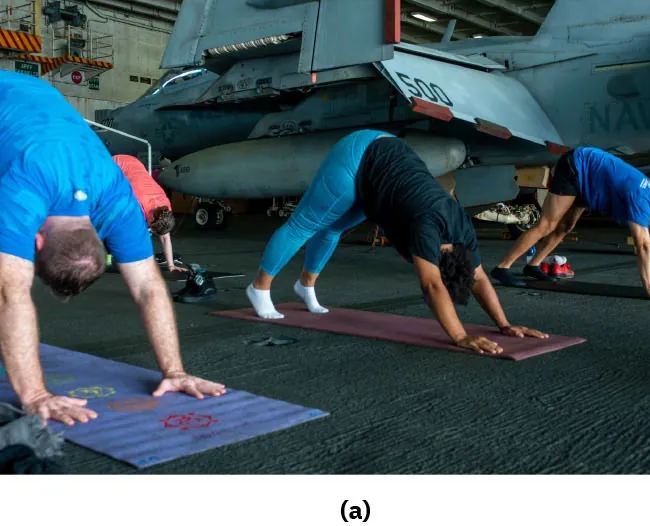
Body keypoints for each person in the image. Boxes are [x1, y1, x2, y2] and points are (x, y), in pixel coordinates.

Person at [0, 70, 226, 426]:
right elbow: (10, 292)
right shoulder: (23, 188)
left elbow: (150, 287)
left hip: (38, 102)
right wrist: (35, 395)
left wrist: (175, 371)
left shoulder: (119, 201)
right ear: (37, 241)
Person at [245, 129, 547, 354]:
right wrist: (459, 336)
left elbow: (479, 279)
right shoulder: (426, 232)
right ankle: (259, 288)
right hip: (360, 154)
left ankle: (306, 287)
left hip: (385, 171)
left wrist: (504, 325)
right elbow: (432, 286)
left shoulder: (463, 235)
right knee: (305, 225)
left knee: (333, 229)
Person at [490, 147, 650, 301]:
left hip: (593, 180)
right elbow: (643, 246)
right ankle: (503, 268)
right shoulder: (641, 203)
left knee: (566, 228)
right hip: (577, 165)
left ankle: (533, 266)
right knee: (547, 224)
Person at [113, 154, 180, 272]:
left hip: (136, 163)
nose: (150, 228)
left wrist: (171, 265)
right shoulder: (138, 204)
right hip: (117, 164)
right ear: (153, 217)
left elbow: (165, 238)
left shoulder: (165, 207)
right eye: (151, 226)